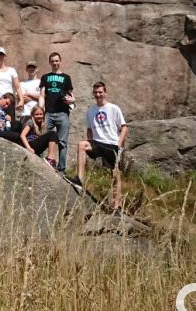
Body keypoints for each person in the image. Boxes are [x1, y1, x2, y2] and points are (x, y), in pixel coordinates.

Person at [68, 81, 129, 209]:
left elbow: (124, 128)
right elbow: (89, 129)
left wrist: (119, 144)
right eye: (95, 92)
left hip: (111, 144)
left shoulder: (113, 108)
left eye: (100, 92)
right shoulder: (91, 110)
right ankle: (79, 178)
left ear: (105, 92)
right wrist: (90, 142)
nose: (98, 94)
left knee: (114, 174)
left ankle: (116, 204)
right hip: (97, 142)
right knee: (81, 145)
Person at [39, 52, 74, 173]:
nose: (55, 63)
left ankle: (61, 169)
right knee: (43, 139)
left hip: (62, 113)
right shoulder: (45, 77)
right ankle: (42, 164)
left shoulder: (66, 77)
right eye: (52, 61)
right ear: (49, 62)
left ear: (60, 61)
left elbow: (71, 96)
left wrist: (72, 100)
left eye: (56, 61)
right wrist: (40, 109)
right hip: (48, 113)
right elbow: (42, 95)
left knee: (63, 142)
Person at [20, 60, 41, 124]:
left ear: (37, 69)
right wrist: (37, 98)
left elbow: (44, 97)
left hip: (39, 114)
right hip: (26, 114)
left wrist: (29, 94)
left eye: (33, 67)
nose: (31, 69)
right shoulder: (22, 84)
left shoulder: (41, 82)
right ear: (26, 69)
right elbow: (22, 98)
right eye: (29, 67)